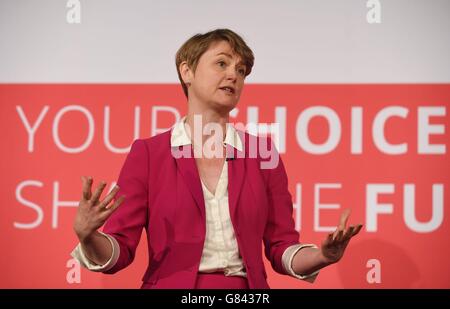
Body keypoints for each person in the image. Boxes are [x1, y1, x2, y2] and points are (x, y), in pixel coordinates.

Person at [71, 28, 363, 289]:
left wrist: (322, 256)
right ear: (187, 72)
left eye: (241, 70)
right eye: (221, 63)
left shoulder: (262, 155)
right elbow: (118, 251)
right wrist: (88, 236)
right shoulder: (148, 153)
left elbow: (281, 247)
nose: (233, 75)